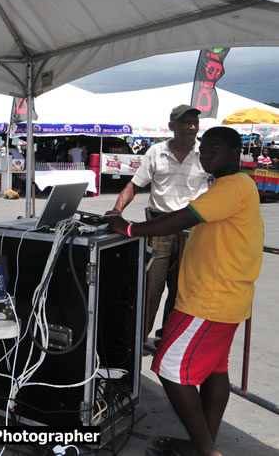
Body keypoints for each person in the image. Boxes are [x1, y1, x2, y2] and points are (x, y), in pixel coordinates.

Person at [105, 126, 263, 456]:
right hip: (226, 298)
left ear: (236, 153)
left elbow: (181, 219)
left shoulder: (232, 186)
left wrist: (129, 227)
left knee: (170, 368)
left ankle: (206, 449)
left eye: (214, 149)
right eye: (204, 149)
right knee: (216, 370)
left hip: (210, 301)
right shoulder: (235, 185)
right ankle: (202, 442)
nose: (206, 154)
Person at [107, 105, 209, 343]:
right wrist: (116, 210)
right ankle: (139, 338)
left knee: (182, 290)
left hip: (192, 228)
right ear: (172, 125)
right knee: (150, 287)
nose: (192, 127)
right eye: (186, 123)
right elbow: (134, 185)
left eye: (195, 122)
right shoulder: (155, 152)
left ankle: (169, 338)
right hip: (159, 226)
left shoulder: (205, 152)